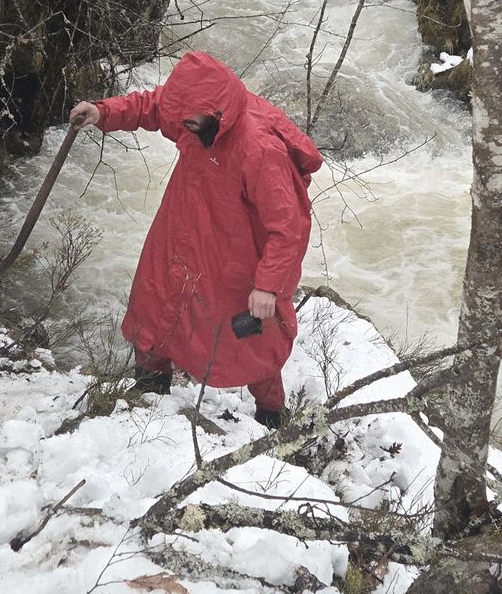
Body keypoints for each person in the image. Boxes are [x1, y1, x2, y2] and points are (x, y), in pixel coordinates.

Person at [69, 52, 322, 428]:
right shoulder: (196, 116)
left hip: (231, 254)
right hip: (179, 231)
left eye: (190, 120)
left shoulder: (259, 149)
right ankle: (149, 400)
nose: (181, 127)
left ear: (216, 112)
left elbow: (288, 227)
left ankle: (272, 418)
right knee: (153, 307)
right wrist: (103, 112)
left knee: (253, 340)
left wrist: (268, 286)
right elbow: (155, 107)